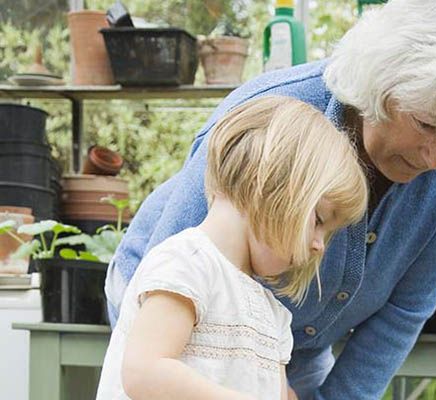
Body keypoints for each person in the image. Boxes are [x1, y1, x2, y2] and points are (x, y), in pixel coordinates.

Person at [105, 0, 436, 398]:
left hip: (283, 342)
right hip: (171, 315)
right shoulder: (269, 117)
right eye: (426, 124)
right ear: (383, 81)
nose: (435, 158)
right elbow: (153, 352)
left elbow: (402, 314)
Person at [95, 96, 368, 400]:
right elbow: (144, 373)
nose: (319, 246)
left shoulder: (272, 314)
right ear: (271, 186)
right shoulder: (187, 264)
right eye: (318, 220)